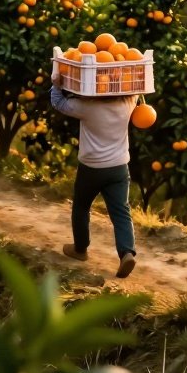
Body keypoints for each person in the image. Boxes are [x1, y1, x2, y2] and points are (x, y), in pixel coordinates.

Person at [50, 85, 138, 277]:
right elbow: (136, 86)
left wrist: (56, 82)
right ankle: (127, 253)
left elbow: (58, 102)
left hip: (91, 168)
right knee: (121, 211)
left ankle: (80, 249)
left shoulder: (86, 106)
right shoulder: (128, 102)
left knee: (81, 206)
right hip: (119, 167)